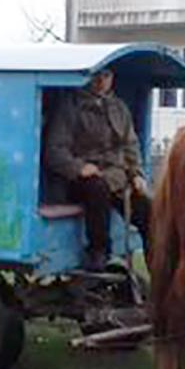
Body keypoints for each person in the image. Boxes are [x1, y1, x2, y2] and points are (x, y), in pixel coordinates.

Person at [44, 68, 150, 270]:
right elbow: (54, 150)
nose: (101, 81)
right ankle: (98, 253)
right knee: (97, 189)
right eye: (97, 76)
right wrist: (79, 167)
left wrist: (136, 173)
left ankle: (158, 261)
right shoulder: (71, 106)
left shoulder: (119, 108)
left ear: (112, 78)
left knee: (147, 210)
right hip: (77, 181)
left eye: (106, 76)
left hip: (116, 178)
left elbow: (130, 145)